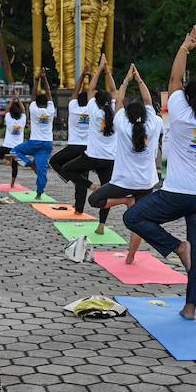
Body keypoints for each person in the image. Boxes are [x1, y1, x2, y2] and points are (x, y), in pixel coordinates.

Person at [123, 26, 196, 319]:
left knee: (133, 216)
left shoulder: (181, 113)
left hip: (179, 193)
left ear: (188, 97)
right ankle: (191, 308)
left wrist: (185, 47)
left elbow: (174, 79)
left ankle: (177, 247)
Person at [91, 64, 159, 263]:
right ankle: (130, 257)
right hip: (146, 183)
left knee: (94, 200)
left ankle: (125, 201)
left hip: (122, 183)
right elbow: (148, 100)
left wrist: (126, 81)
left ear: (128, 114)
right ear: (145, 114)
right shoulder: (153, 124)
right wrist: (139, 80)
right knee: (140, 221)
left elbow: (118, 99)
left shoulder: (122, 124)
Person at [58, 58, 118, 232]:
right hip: (109, 160)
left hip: (92, 157)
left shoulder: (93, 109)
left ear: (96, 100)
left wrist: (99, 69)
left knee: (67, 169)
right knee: (107, 191)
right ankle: (101, 225)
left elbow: (90, 89)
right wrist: (107, 71)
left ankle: (91, 186)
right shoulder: (114, 112)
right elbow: (113, 89)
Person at [12, 71, 55, 198]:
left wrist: (37, 81)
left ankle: (29, 163)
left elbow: (34, 94)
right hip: (47, 144)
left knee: (14, 151)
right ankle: (39, 193)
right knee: (42, 171)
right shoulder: (51, 110)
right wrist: (45, 78)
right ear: (47, 103)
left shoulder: (34, 109)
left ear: (36, 103)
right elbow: (49, 93)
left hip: (34, 143)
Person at [48, 68, 92, 182]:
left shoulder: (73, 108)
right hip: (88, 148)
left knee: (54, 161)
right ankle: (80, 182)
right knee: (83, 175)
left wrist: (82, 75)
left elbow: (75, 92)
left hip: (74, 147)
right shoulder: (92, 109)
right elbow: (92, 92)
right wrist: (91, 77)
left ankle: (69, 177)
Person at [0, 98, 27, 188]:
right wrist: (18, 99)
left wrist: (13, 99)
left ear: (11, 113)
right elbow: (24, 110)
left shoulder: (9, 120)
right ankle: (12, 184)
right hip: (17, 148)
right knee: (15, 166)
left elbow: (6, 110)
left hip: (7, 147)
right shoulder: (23, 120)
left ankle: (8, 157)